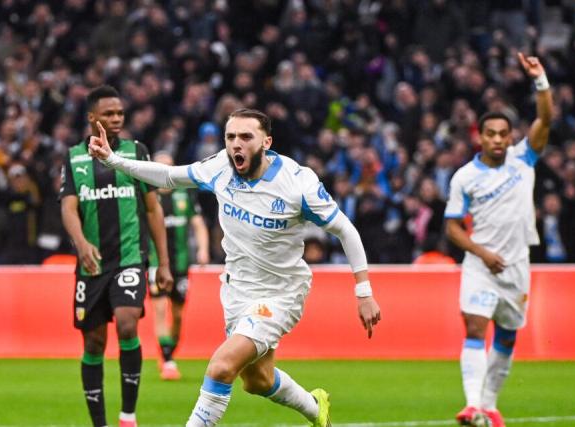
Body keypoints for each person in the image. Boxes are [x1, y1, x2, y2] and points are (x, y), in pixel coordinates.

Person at [88, 108, 381, 427]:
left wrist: (363, 292)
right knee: (257, 380)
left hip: (280, 294)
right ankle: (314, 407)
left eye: (246, 137)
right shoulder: (220, 168)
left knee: (221, 366)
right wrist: (113, 161)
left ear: (266, 142)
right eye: (230, 137)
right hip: (237, 291)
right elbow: (170, 176)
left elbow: (345, 230)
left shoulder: (298, 184)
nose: (236, 145)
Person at [444, 53, 553, 427]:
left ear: (510, 138)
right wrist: (480, 251)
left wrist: (540, 81)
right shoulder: (464, 177)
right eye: (489, 133)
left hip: (517, 264)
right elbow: (453, 227)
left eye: (502, 134)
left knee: (507, 336)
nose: (496, 139)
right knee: (475, 327)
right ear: (480, 136)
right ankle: (471, 405)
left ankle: (489, 405)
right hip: (480, 264)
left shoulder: (524, 161)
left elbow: (546, 119)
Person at [60, 85, 173, 427]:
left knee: (127, 324)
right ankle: (100, 423)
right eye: (109, 113)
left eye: (120, 113)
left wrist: (163, 263)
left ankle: (128, 416)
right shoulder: (75, 157)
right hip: (91, 265)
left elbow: (153, 209)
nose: (116, 118)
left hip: (129, 259)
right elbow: (68, 206)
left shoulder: (137, 152)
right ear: (92, 117)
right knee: (94, 341)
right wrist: (81, 242)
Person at [147, 151, 210, 381]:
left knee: (178, 315)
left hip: (181, 265)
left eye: (169, 167)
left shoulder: (184, 195)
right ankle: (167, 359)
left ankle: (168, 352)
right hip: (156, 264)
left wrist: (203, 249)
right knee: (160, 309)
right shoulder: (148, 195)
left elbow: (198, 224)